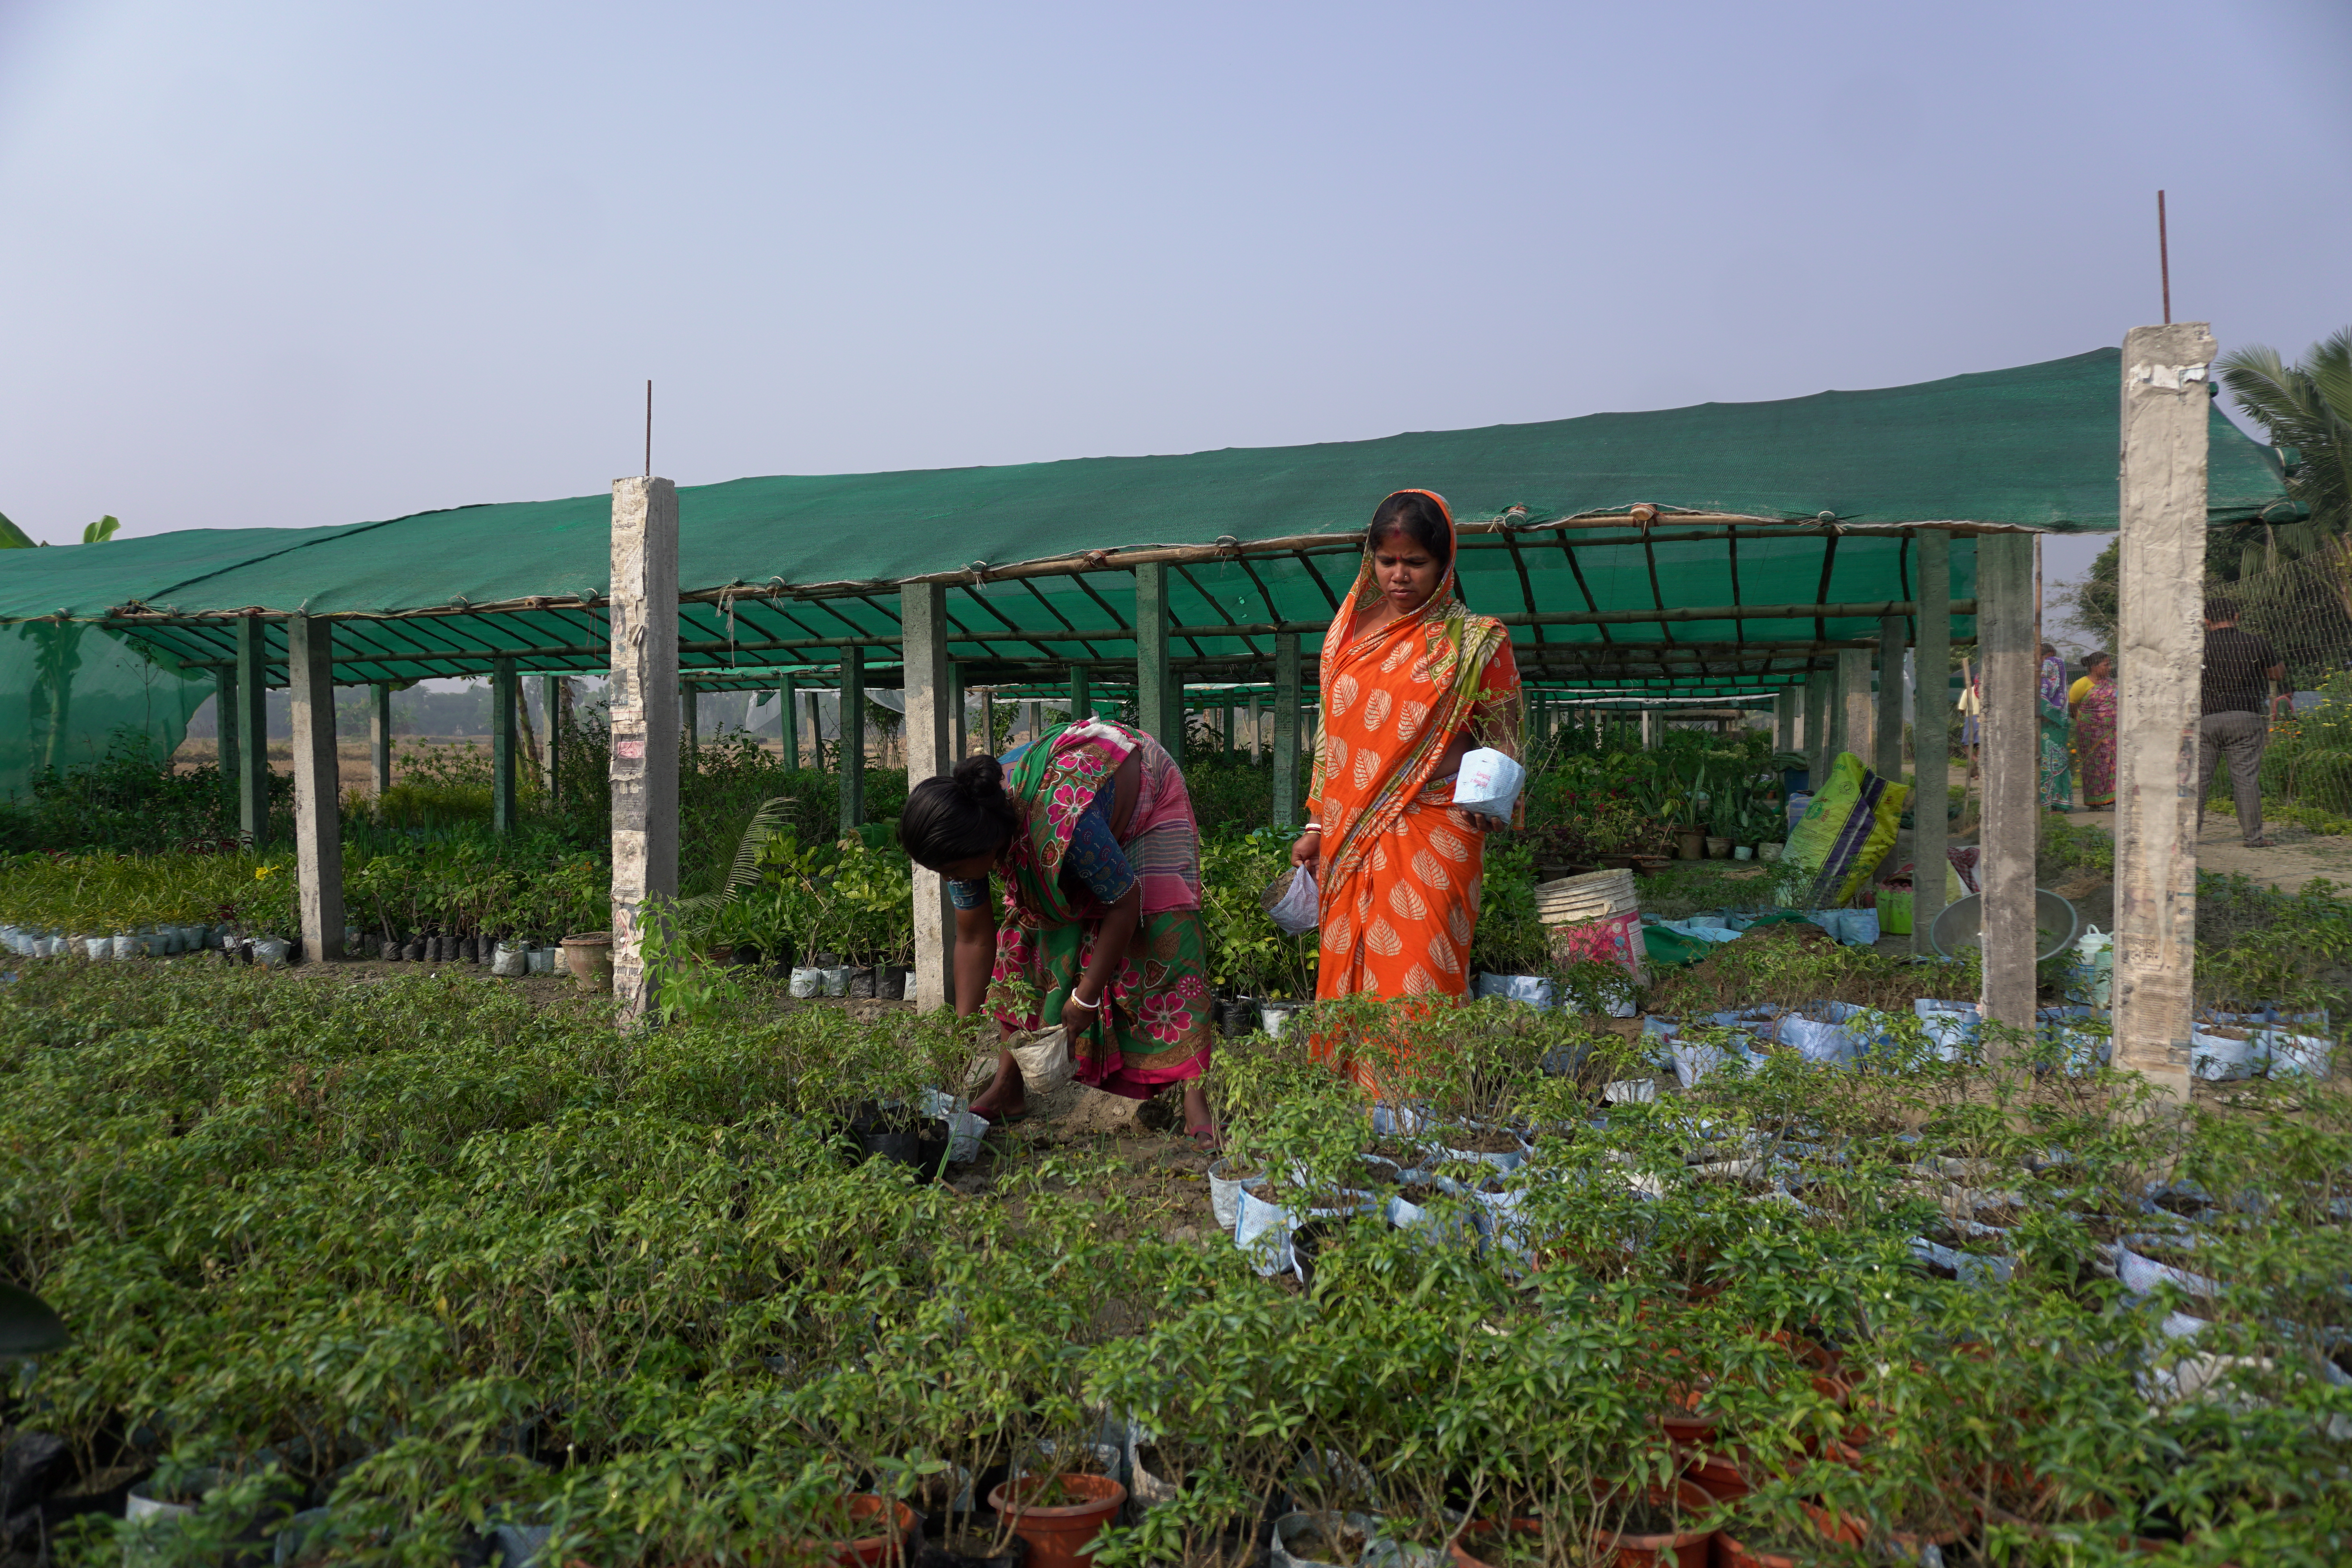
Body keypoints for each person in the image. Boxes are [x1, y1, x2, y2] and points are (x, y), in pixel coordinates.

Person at [898, 722, 1218, 1145]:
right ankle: (1008, 1088)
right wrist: (958, 1039)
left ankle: (1197, 1101)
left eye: (953, 871)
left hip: (1143, 792)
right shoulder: (967, 833)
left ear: (985, 846)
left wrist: (1084, 998)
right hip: (1060, 818)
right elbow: (975, 939)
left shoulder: (1064, 820)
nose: (950, 878)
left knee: (1165, 933)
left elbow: (1125, 903)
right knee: (1021, 943)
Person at [1289, 488, 1523, 1024]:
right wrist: (1318, 826)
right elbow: (1332, 739)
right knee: (1349, 969)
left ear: (1444, 564)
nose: (1399, 574)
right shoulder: (1347, 639)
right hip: (1349, 833)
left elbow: (1504, 735)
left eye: (1415, 562)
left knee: (1421, 976)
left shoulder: (1475, 641)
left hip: (1436, 830)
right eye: (1388, 560)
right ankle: (1351, 1100)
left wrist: (1490, 800)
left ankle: (1418, 1105)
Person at [2198, 598, 2287, 848]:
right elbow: (2276, 674)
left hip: (2206, 717)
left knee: (2199, 779)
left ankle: (2185, 836)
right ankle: (2253, 837)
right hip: (2245, 716)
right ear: (2237, 616)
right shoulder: (2256, 642)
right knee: (2245, 779)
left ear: (2206, 621)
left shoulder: (2196, 646)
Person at [2067, 651, 2118, 811]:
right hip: (2091, 733)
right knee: (2094, 766)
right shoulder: (2081, 684)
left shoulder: (2110, 683)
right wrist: (2090, 722)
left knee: (2114, 764)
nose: (2110, 668)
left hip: (2112, 732)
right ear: (2095, 667)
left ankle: (2113, 797)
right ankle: (2095, 801)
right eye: (2106, 665)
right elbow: (2073, 707)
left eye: (2110, 664)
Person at [2039, 643, 2074, 811]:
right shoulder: (2059, 666)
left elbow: (2044, 695)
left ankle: (2049, 801)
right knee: (2057, 761)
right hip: (2058, 723)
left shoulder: (2050, 663)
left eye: (2039, 657)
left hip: (2049, 722)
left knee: (2048, 761)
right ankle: (2060, 801)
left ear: (2049, 654)